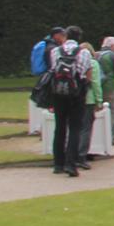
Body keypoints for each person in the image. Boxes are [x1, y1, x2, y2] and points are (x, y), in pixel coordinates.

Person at [46, 26, 94, 175]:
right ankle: (70, 164)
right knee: (75, 129)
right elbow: (88, 74)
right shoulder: (84, 52)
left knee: (60, 127)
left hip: (58, 93)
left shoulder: (55, 51)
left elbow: (53, 70)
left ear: (66, 36)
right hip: (76, 93)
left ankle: (58, 164)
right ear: (79, 38)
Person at [76, 37, 106, 167]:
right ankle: (81, 156)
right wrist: (99, 101)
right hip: (88, 99)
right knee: (86, 129)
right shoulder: (93, 63)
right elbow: (96, 84)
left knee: (74, 127)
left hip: (74, 98)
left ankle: (72, 154)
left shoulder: (74, 61)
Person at [97, 37, 114, 131]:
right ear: (112, 46)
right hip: (110, 86)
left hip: (97, 87)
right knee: (112, 111)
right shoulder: (113, 56)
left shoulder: (96, 54)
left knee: (98, 111)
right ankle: (110, 134)